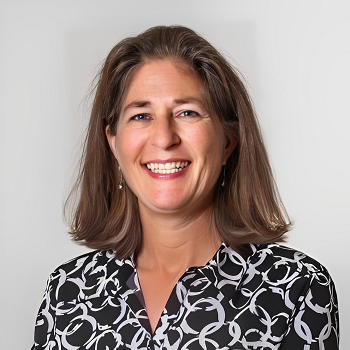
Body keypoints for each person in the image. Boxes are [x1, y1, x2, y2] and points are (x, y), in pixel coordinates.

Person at [32, 26, 339, 349]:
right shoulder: (67, 291)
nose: (164, 138)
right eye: (141, 115)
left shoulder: (296, 288)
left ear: (228, 142)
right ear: (113, 143)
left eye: (187, 112)